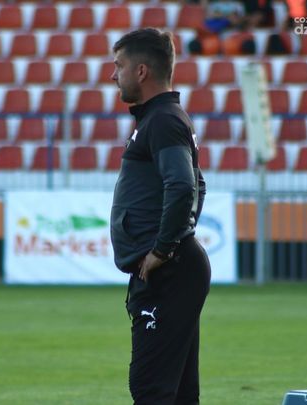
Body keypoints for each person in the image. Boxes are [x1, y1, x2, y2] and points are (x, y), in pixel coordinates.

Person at [110, 28, 212, 405]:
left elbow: (184, 186)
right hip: (175, 270)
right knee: (179, 394)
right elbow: (198, 185)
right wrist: (175, 242)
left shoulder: (163, 120)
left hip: (169, 273)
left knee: (151, 389)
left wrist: (164, 249)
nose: (113, 75)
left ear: (141, 71)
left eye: (119, 66)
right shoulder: (160, 119)